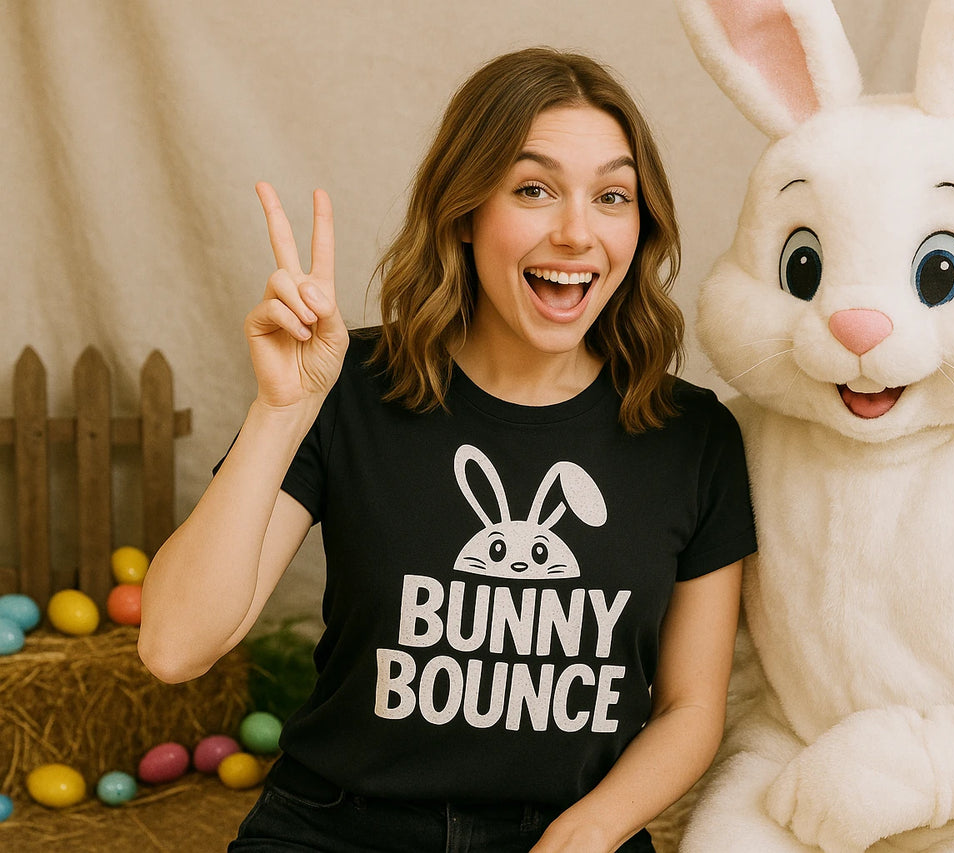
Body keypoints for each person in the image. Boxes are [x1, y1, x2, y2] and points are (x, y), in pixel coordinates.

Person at [138, 47, 755, 853]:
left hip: (568, 834)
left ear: (639, 229)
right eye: (533, 189)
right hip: (335, 830)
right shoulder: (349, 388)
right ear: (466, 213)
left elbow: (689, 707)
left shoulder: (693, 436)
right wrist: (279, 412)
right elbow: (174, 645)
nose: (576, 231)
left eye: (612, 195)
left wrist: (593, 829)